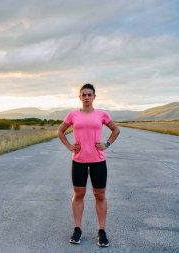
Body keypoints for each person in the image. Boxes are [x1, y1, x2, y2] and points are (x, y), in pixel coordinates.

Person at [57, 83, 120, 247]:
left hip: (98, 160)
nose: (86, 97)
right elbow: (60, 131)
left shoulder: (101, 114)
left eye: (89, 94)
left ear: (94, 97)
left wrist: (107, 144)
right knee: (78, 195)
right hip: (79, 160)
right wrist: (69, 146)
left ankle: (101, 231)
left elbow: (116, 130)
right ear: (80, 97)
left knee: (100, 195)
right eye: (83, 95)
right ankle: (77, 229)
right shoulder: (73, 115)